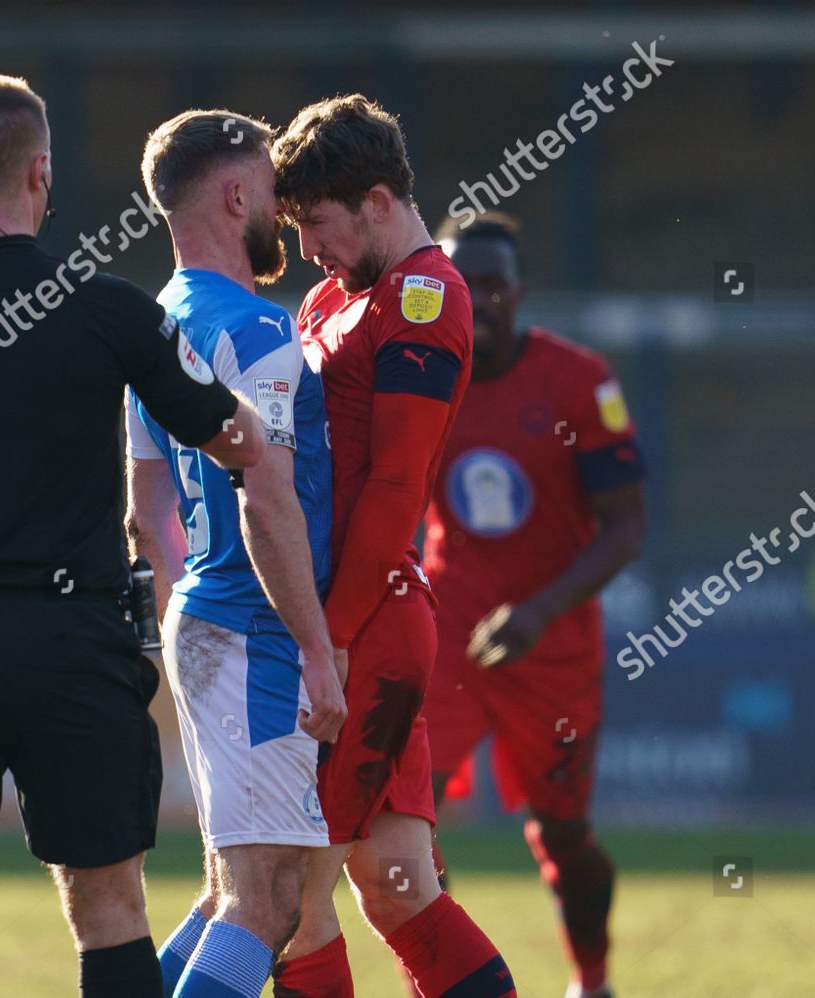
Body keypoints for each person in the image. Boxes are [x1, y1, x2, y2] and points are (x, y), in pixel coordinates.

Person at [0, 74, 264, 998]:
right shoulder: (105, 310)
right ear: (41, 172)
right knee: (110, 913)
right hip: (72, 644)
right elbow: (230, 434)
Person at [268, 94, 517, 998]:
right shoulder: (336, 292)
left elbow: (395, 485)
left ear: (377, 201)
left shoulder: (422, 293)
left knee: (285, 897)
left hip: (362, 627)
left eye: (316, 222)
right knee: (397, 886)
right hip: (366, 620)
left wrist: (327, 635)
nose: (306, 248)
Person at [125, 108, 348, 998]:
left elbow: (145, 507)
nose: (283, 210)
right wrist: (314, 649)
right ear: (232, 192)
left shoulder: (157, 322)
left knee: (240, 891)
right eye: (269, 188)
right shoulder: (255, 329)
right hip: (256, 632)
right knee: (265, 902)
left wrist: (187, 619)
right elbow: (266, 496)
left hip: (207, 617)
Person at [422, 212, 647, 998]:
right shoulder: (420, 377)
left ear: (518, 292)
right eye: (460, 285)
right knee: (402, 821)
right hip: (445, 628)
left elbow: (625, 527)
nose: (476, 300)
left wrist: (540, 611)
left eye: (491, 285)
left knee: (563, 835)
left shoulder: (579, 383)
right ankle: (446, 979)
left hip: (550, 643)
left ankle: (592, 979)